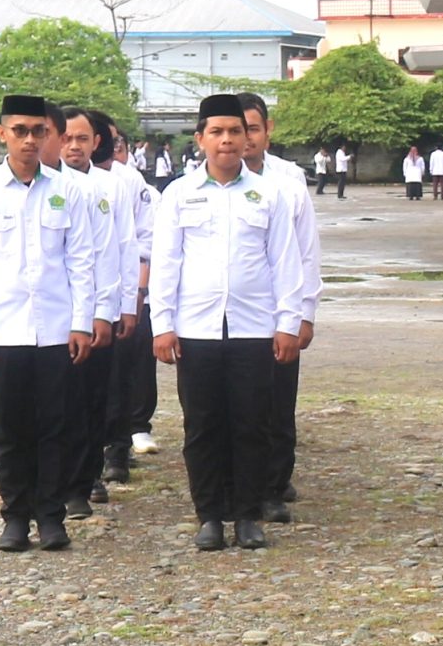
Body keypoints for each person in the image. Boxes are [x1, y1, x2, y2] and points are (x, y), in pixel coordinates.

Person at [151, 93, 305, 550]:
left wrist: (288, 322)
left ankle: (248, 515)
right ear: (200, 139)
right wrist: (162, 324)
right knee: (202, 425)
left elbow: (285, 261)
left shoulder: (270, 193)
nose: (226, 140)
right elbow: (165, 263)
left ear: (248, 138)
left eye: (235, 131)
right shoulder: (179, 194)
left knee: (252, 423)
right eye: (216, 132)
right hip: (196, 329)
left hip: (254, 328)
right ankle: (210, 515)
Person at [0, 94, 98, 552]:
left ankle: (51, 517)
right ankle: (15, 517)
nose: (30, 139)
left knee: (56, 428)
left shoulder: (67, 190)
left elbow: (82, 261)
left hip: (56, 330)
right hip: (4, 331)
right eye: (20, 130)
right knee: (10, 430)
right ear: (2, 135)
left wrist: (81, 322)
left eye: (39, 131)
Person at [239, 94, 319, 520]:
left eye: (252, 128)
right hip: (233, 315)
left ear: (268, 129)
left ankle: (273, 485)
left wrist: (305, 311)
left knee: (277, 403)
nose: (245, 138)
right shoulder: (198, 182)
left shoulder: (288, 179)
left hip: (280, 311)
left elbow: (307, 250)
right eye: (237, 129)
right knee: (236, 406)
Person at [56, 107, 124, 518]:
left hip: (97, 308)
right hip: (53, 315)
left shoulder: (109, 187)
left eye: (81, 138)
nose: (73, 146)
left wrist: (112, 309)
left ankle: (87, 477)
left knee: (93, 397)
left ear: (95, 142)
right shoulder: (48, 185)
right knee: (57, 402)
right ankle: (59, 480)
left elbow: (118, 250)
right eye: (65, 138)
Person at [102, 118, 159, 480]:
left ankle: (121, 445)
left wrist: (138, 293)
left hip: (129, 293)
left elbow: (143, 242)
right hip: (84, 301)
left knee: (129, 369)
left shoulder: (128, 181)